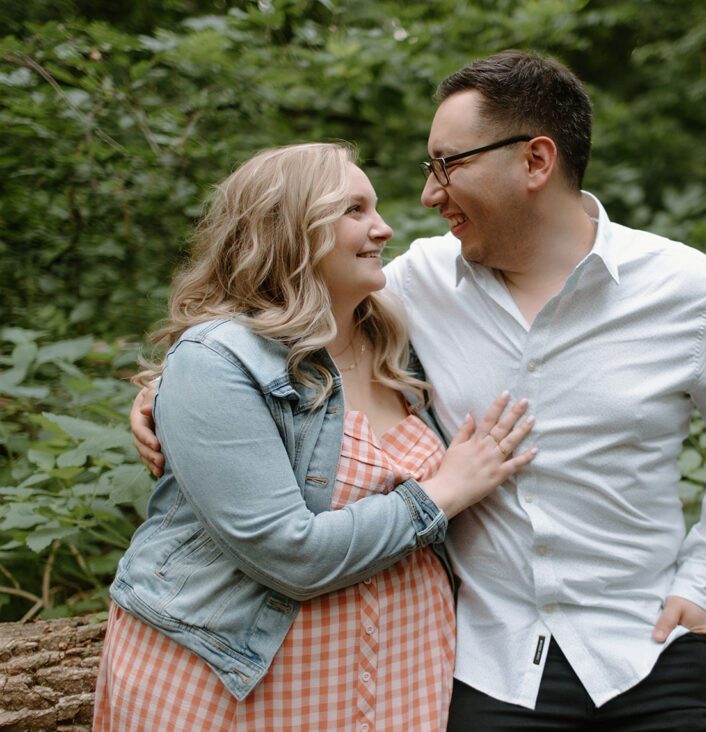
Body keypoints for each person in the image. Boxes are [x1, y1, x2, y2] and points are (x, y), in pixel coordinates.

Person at [134, 52, 706, 730]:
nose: (429, 194)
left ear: (536, 162)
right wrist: (168, 391)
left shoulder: (690, 292)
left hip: (652, 651)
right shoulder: (416, 283)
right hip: (489, 666)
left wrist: (705, 576)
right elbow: (283, 310)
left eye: (448, 164)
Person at [96, 142, 536, 732]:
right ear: (288, 229)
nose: (383, 227)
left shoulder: (397, 342)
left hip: (404, 672)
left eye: (375, 208)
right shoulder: (220, 360)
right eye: (354, 210)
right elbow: (289, 554)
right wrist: (445, 492)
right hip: (242, 682)